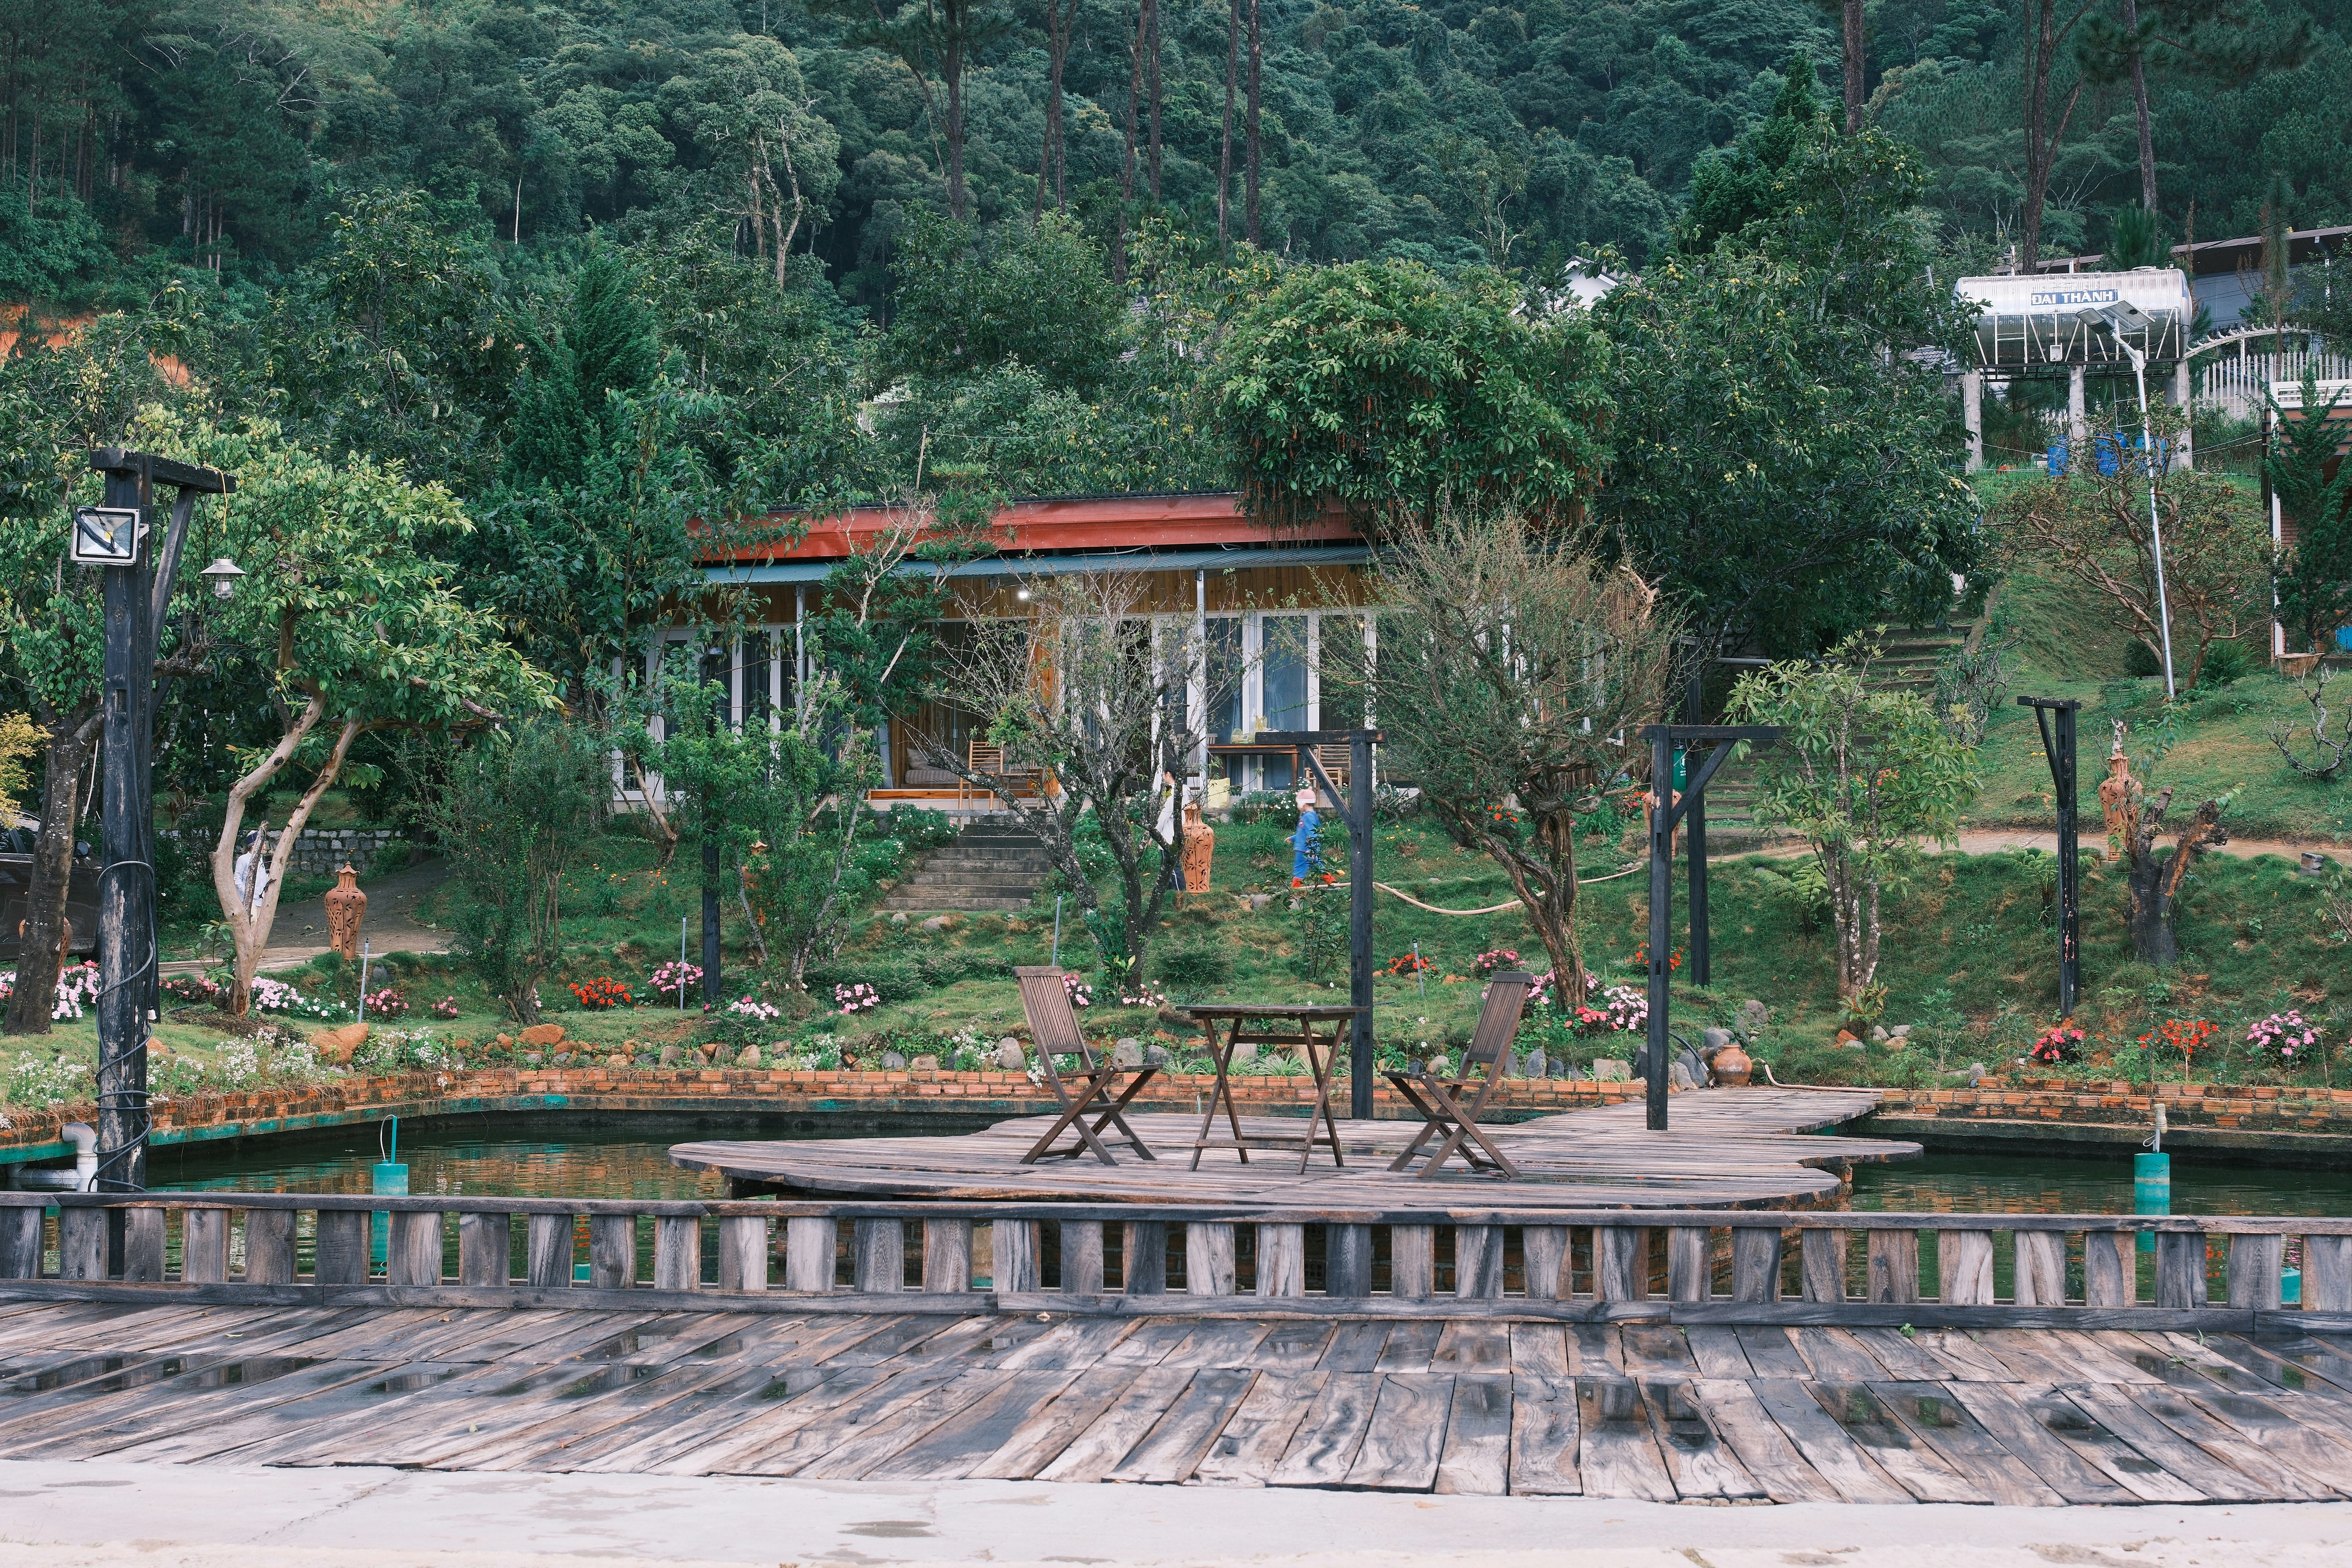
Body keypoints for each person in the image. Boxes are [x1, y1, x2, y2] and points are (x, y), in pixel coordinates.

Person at [232, 826, 271, 922]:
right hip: (249, 899)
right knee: (252, 921)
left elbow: (264, 876)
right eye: (263, 844)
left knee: (261, 923)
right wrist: (247, 892)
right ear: (254, 846)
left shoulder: (262, 859)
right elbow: (237, 879)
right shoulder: (243, 859)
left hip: (261, 898)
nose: (265, 847)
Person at [1290, 786, 1321, 884]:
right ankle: (1332, 883)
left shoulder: (1308, 817)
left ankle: (1296, 887)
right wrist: (1293, 838)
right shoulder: (1309, 816)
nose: (1297, 805)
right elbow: (1304, 833)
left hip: (1305, 850)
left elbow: (1313, 834)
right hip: (1307, 848)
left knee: (1299, 868)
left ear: (1304, 803)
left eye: (1298, 803)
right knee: (1318, 867)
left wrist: (1312, 849)